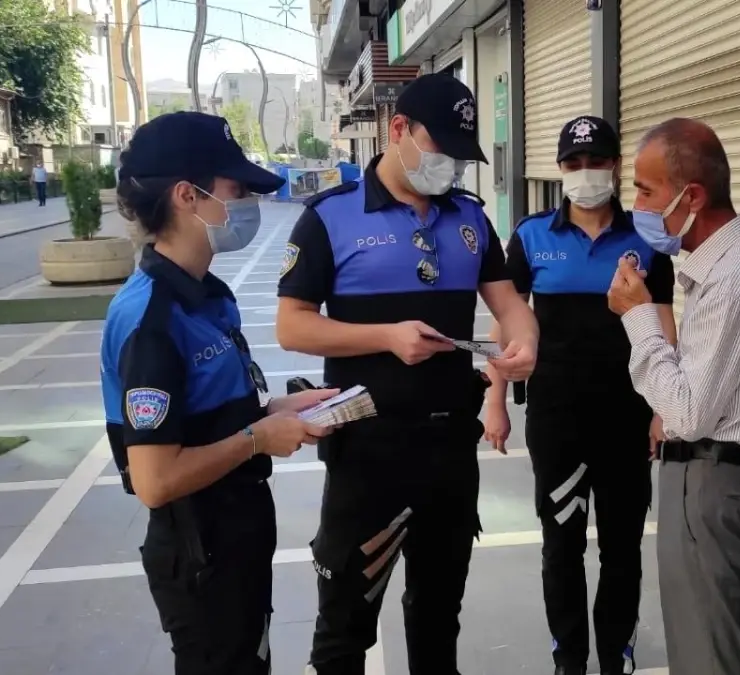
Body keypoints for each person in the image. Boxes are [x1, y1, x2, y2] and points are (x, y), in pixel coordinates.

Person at [276, 72, 539, 675]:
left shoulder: (469, 220)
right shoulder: (330, 218)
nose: (447, 165)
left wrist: (523, 341)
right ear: (398, 130)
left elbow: (509, 306)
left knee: (438, 618)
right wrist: (385, 338)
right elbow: (293, 326)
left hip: (449, 449)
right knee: (345, 629)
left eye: (457, 155)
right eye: (438, 148)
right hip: (368, 453)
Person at [100, 111, 335, 675]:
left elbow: (207, 416)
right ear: (188, 196)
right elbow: (155, 482)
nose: (247, 203)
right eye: (235, 190)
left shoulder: (207, 294)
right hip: (199, 551)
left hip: (237, 535)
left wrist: (278, 409)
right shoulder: (152, 318)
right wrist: (258, 438)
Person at [607, 118, 740, 674]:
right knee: (711, 652)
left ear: (691, 196)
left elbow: (690, 411)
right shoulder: (725, 268)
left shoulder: (736, 275)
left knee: (714, 660)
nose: (638, 207)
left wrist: (639, 317)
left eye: (646, 192)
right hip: (712, 482)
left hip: (712, 482)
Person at [482, 115, 676, 675]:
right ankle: (569, 658)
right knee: (561, 547)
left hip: (627, 419)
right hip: (557, 421)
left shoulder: (648, 238)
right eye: (573, 163)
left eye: (596, 162)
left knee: (622, 550)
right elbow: (507, 325)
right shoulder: (530, 236)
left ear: (615, 167)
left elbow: (664, 326)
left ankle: (616, 656)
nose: (585, 172)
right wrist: (495, 398)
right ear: (559, 169)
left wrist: (664, 407)